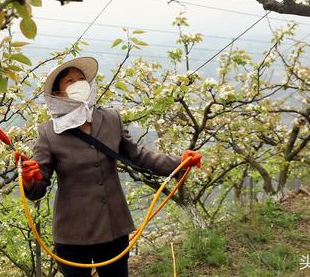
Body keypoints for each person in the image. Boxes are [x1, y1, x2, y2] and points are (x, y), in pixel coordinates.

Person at [16, 56, 202, 277]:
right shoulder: (48, 133)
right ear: (58, 95)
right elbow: (38, 187)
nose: (78, 84)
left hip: (113, 226)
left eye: (81, 79)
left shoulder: (111, 118)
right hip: (72, 234)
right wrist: (29, 179)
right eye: (69, 81)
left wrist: (179, 162)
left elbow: (139, 156)